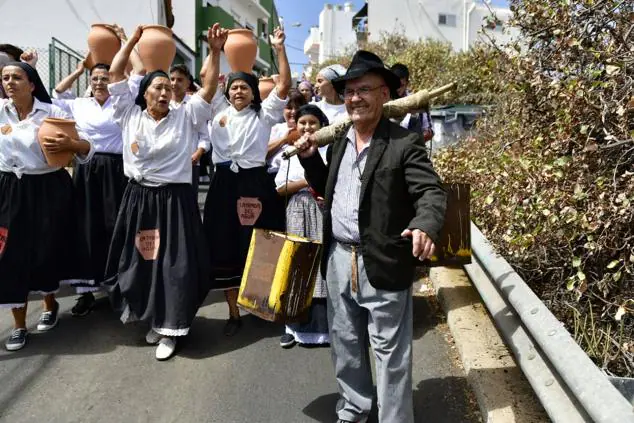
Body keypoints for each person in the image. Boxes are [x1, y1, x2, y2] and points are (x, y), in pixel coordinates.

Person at [293, 50, 448, 423]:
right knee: (345, 344)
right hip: (338, 258)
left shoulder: (403, 143)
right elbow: (329, 193)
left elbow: (431, 192)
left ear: (384, 95)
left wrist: (425, 225)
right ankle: (354, 409)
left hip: (382, 259)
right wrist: (312, 159)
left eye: (364, 89)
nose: (354, 98)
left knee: (390, 353)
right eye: (348, 91)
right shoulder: (343, 140)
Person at [102, 24, 223, 361]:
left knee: (175, 265)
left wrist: (214, 51)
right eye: (158, 87)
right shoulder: (128, 115)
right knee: (142, 262)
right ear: (144, 92)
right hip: (139, 199)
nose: (165, 92)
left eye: (169, 87)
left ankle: (172, 328)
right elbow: (114, 74)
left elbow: (210, 88)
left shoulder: (186, 116)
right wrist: (130, 42)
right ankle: (155, 318)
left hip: (175, 200)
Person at [202, 25, 291, 337]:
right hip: (223, 185)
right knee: (224, 244)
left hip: (255, 185)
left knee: (261, 243)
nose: (238, 92)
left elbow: (283, 86)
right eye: (234, 88)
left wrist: (279, 48)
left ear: (254, 93)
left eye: (244, 88)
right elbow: (207, 83)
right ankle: (233, 312)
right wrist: (215, 51)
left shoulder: (264, 116)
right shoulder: (215, 110)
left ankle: (262, 305)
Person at [0, 56, 94, 351]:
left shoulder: (50, 112)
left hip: (47, 189)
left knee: (44, 250)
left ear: (31, 84)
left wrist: (70, 145)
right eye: (5, 78)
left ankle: (50, 304)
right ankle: (18, 325)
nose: (9, 83)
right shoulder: (0, 112)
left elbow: (87, 148)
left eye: (16, 78)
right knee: (9, 254)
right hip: (8, 189)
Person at [51, 26, 145, 316]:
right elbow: (56, 93)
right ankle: (86, 292)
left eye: (105, 77)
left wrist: (129, 40)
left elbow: (139, 71)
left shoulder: (122, 99)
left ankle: (121, 288)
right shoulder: (79, 105)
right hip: (87, 168)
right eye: (96, 78)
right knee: (86, 228)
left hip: (118, 169)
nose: (101, 82)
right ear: (90, 82)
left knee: (117, 227)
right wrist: (80, 69)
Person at [275, 104, 330, 349]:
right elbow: (279, 189)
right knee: (297, 265)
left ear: (322, 126)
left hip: (323, 212)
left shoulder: (330, 149)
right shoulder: (288, 152)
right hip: (297, 212)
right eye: (302, 123)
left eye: (312, 123)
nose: (307, 127)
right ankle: (292, 327)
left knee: (322, 267)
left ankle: (326, 328)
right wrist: (308, 180)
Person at [169, 63, 215, 194]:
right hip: (168, 162)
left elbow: (205, 136)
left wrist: (198, 153)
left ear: (188, 82)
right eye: (172, 79)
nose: (174, 83)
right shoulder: (164, 105)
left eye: (179, 80)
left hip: (190, 164)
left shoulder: (195, 104)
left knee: (189, 204)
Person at [390, 63, 434, 142]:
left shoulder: (418, 102)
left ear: (407, 83)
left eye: (401, 85)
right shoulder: (382, 101)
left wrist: (414, 142)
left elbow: (430, 131)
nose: (398, 89)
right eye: (395, 85)